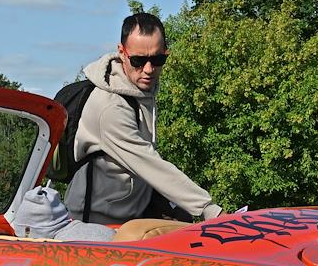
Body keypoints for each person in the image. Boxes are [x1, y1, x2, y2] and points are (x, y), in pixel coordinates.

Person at [63, 13, 222, 225]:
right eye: (138, 60)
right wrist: (209, 209)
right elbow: (149, 163)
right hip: (96, 223)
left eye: (157, 60)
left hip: (133, 213)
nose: (148, 69)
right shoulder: (110, 107)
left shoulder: (139, 91)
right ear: (122, 53)